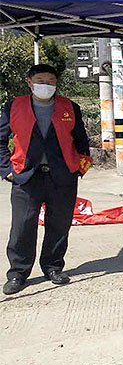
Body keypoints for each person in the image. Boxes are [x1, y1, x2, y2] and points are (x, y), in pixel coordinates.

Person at [0, 64, 92, 295]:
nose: (46, 86)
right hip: (25, 176)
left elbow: (81, 140)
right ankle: (18, 273)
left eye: (51, 82)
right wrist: (6, 169)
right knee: (22, 226)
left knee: (59, 224)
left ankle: (53, 267)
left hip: (62, 176)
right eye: (40, 81)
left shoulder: (69, 107)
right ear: (29, 82)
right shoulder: (13, 106)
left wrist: (79, 168)